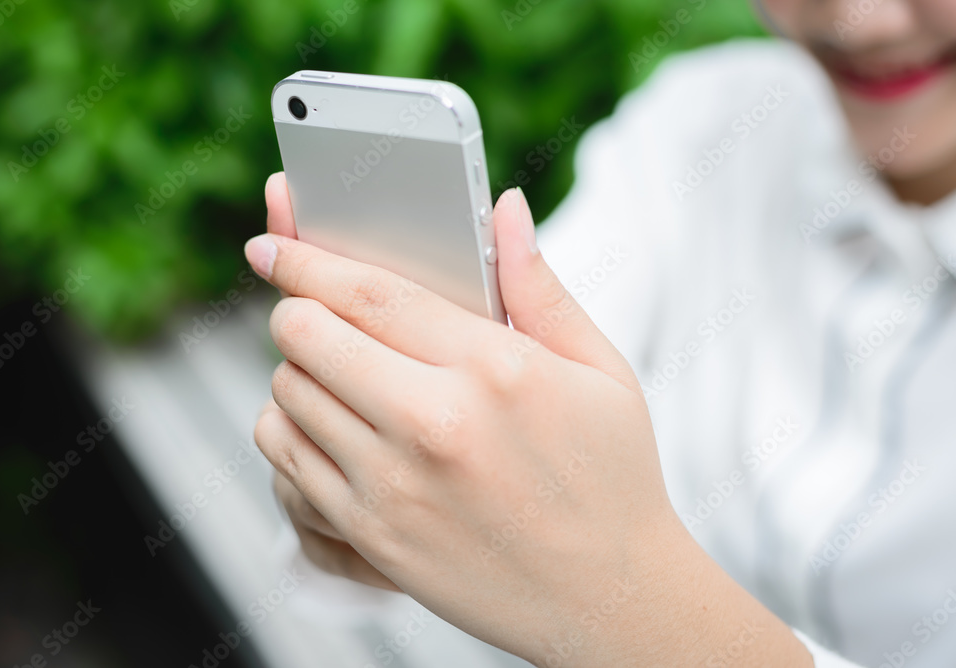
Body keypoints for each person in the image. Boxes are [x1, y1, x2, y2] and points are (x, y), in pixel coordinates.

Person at [244, 0, 956, 665]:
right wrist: (359, 508)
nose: (864, 22)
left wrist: (627, 601)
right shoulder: (704, 123)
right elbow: (490, 403)